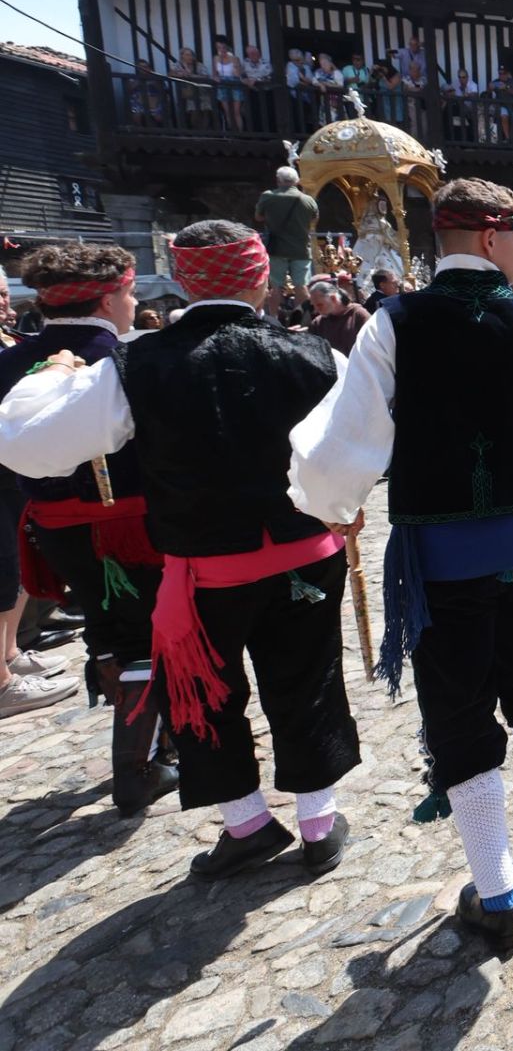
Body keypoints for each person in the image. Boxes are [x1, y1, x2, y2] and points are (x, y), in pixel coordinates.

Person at [288, 179, 513, 950]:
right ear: (495, 238)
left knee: (460, 707)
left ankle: (497, 892)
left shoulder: (392, 324)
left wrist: (332, 503)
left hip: (443, 555)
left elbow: (345, 443)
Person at [0, 220, 359, 879]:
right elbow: (362, 449)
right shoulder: (315, 354)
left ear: (183, 278)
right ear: (258, 278)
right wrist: (332, 509)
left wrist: (51, 370)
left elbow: (23, 438)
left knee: (205, 693)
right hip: (305, 554)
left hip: (203, 571)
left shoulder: (139, 364)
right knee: (307, 682)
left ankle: (248, 822)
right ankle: (317, 822)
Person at [0, 247, 161, 768]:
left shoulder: (9, 360)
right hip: (133, 527)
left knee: (104, 622)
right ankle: (145, 757)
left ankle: (139, 744)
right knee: (150, 630)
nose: (133, 303)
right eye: (131, 293)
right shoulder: (133, 360)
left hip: (53, 529)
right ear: (111, 298)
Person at [256, 167, 317, 318]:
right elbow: (314, 220)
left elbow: (258, 217)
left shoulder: (268, 197)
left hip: (276, 249)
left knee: (275, 287)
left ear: (278, 180)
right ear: (297, 181)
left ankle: (274, 318)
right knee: (301, 286)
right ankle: (300, 320)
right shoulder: (308, 200)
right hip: (301, 250)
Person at [304, 279, 370, 355]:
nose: (316, 310)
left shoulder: (358, 315)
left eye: (319, 305)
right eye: (314, 305)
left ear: (333, 298)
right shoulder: (317, 323)